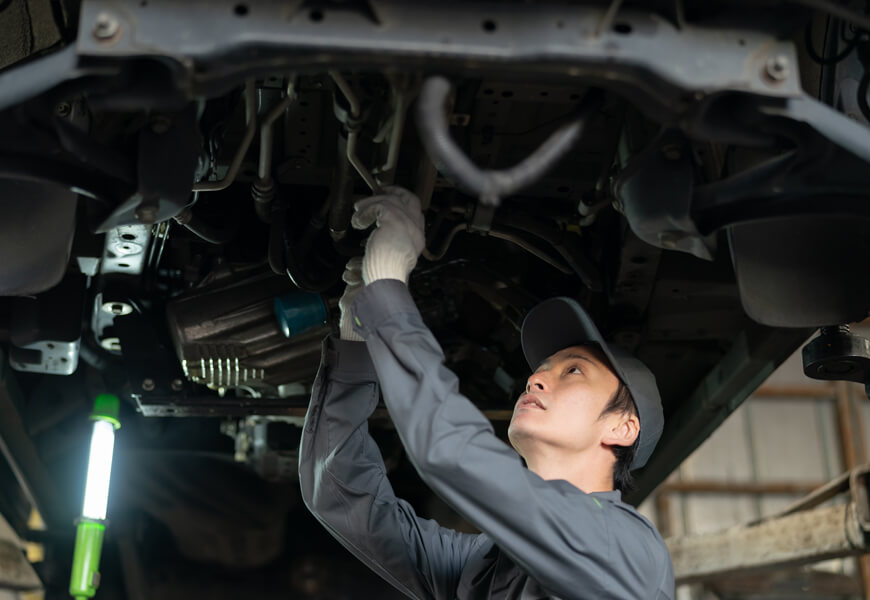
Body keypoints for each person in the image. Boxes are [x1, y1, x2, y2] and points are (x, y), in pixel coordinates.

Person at [298, 187, 675, 599]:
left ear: (623, 427)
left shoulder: (623, 545)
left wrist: (388, 289)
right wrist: (355, 347)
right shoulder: (484, 567)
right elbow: (340, 493)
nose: (535, 379)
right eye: (539, 370)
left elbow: (449, 449)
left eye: (572, 371)